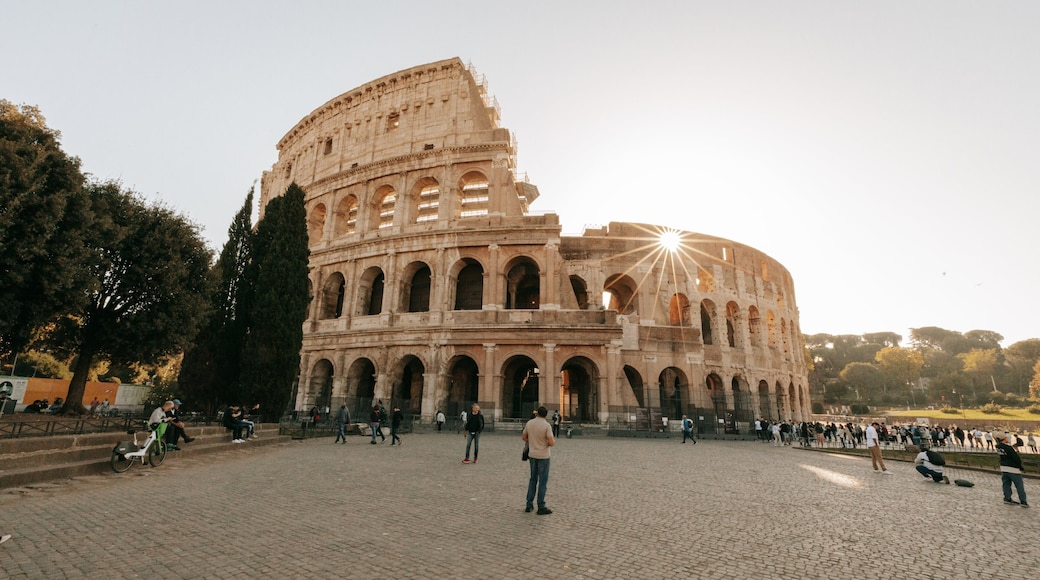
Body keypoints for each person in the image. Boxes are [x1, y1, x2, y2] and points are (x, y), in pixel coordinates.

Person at [522, 405, 556, 514]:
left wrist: (532, 442)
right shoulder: (546, 425)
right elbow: (551, 442)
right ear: (546, 415)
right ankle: (541, 506)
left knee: (533, 479)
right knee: (542, 481)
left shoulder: (529, 423)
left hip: (532, 454)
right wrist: (546, 443)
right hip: (543, 456)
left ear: (537, 413)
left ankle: (529, 504)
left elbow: (524, 437)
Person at [996, 432, 1028, 507]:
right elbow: (1015, 458)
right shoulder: (1008, 448)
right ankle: (1023, 501)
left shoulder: (998, 446)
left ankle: (1007, 498)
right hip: (1013, 469)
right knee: (1019, 486)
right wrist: (1020, 466)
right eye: (1006, 437)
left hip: (1004, 468)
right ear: (1004, 439)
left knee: (1006, 484)